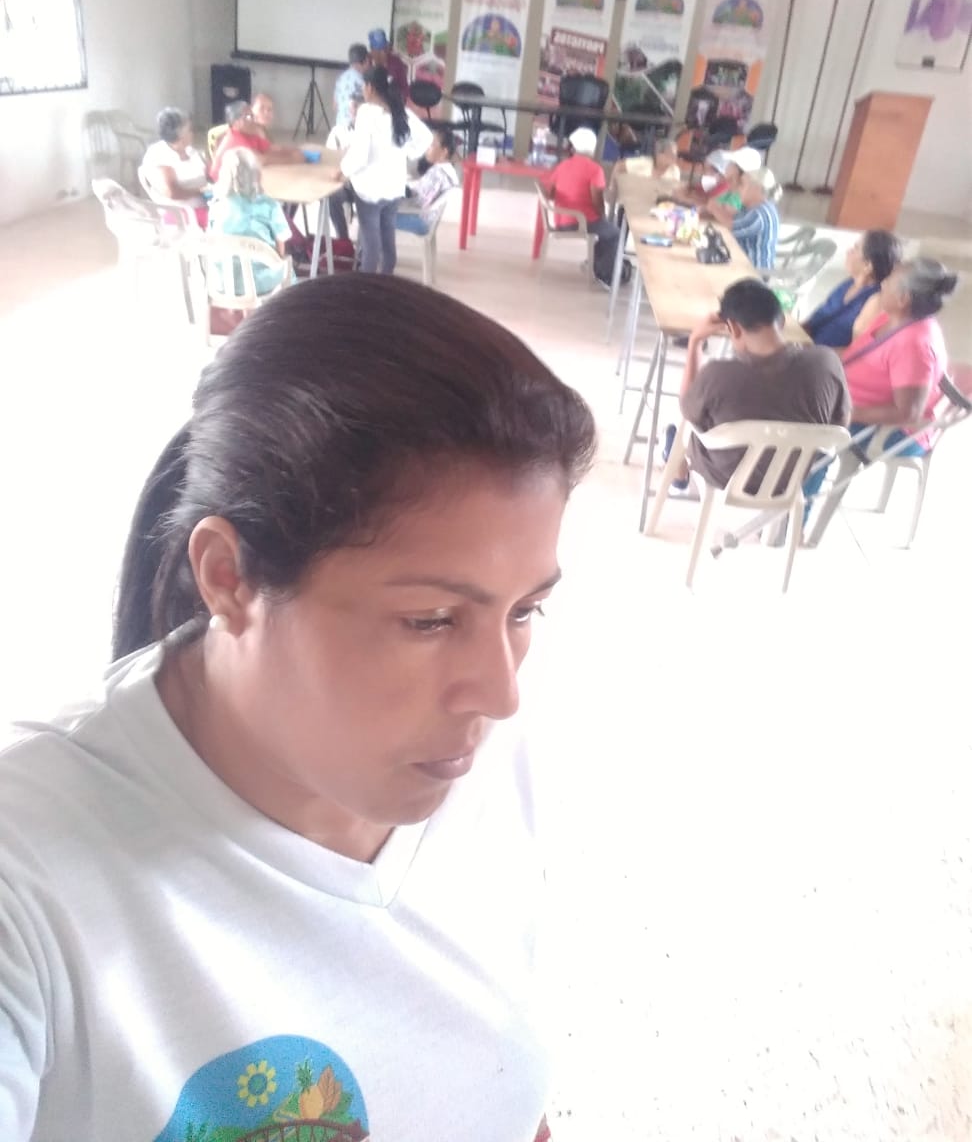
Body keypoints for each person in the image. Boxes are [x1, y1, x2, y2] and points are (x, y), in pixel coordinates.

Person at [0, 274, 596, 1140]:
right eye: (430, 620)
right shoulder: (29, 880)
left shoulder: (487, 760)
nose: (500, 692)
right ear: (228, 578)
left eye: (525, 611)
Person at [804, 258, 959, 536]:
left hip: (894, 432)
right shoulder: (891, 318)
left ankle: (790, 521)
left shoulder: (916, 344)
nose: (883, 283)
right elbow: (855, 355)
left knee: (815, 431)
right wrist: (812, 353)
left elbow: (908, 413)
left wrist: (846, 412)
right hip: (856, 402)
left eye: (890, 281)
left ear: (903, 298)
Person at [667, 278, 850, 492]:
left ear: (733, 328)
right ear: (782, 321)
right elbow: (840, 424)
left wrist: (695, 342)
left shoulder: (718, 375)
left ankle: (679, 474)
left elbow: (687, 411)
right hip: (790, 481)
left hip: (727, 477)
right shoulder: (826, 362)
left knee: (682, 430)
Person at [338, 66, 433, 273]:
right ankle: (386, 281)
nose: (363, 90)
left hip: (369, 190)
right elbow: (427, 137)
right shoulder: (400, 111)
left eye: (363, 86)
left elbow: (360, 155)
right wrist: (408, 151)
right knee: (387, 239)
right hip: (394, 188)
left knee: (371, 245)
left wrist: (342, 171)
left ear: (370, 87)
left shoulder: (366, 112)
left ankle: (366, 288)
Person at [544, 126, 620, 291]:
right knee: (614, 233)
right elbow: (597, 201)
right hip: (582, 222)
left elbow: (549, 194)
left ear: (574, 147)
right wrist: (603, 216)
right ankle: (604, 274)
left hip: (561, 221)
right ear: (592, 148)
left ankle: (594, 264)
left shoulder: (562, 165)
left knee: (606, 229)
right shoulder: (595, 170)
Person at [207, 147, 291, 296]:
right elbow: (281, 246)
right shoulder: (269, 205)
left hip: (223, 281)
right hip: (261, 283)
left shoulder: (216, 206)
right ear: (257, 174)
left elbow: (212, 240)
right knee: (286, 265)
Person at [802, 230, 902, 349]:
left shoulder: (876, 300)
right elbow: (814, 322)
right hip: (807, 346)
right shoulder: (849, 283)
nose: (848, 251)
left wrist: (809, 351)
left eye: (855, 248)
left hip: (824, 357)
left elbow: (856, 351)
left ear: (868, 266)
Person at [140, 106, 210, 227]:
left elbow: (209, 173)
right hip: (179, 213)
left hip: (204, 204)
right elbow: (172, 193)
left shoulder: (190, 150)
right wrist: (201, 191)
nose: (193, 133)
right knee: (231, 222)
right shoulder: (158, 155)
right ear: (180, 135)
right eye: (190, 130)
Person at [210, 100, 305, 179]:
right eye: (248, 117)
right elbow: (261, 161)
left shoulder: (249, 134)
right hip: (222, 186)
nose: (253, 120)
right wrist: (293, 159)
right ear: (236, 123)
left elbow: (272, 149)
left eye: (252, 116)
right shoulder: (235, 139)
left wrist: (297, 151)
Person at [396, 128, 461, 236]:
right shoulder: (448, 170)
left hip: (420, 219)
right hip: (428, 218)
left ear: (444, 152)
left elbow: (417, 199)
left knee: (377, 216)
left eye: (431, 146)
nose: (427, 150)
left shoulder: (437, 172)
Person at [731, 164, 782, 271]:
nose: (737, 189)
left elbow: (730, 229)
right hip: (743, 266)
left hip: (754, 273)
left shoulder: (759, 214)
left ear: (756, 188)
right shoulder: (750, 207)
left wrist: (713, 208)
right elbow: (731, 217)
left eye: (741, 184)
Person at [699, 146, 762, 224]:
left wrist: (714, 209)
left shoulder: (744, 199)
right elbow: (711, 206)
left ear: (740, 174)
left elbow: (731, 221)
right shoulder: (732, 190)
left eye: (731, 164)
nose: (727, 168)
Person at [325, 98, 358, 242]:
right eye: (352, 110)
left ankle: (364, 245)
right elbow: (328, 157)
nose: (354, 114)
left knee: (368, 205)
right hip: (343, 183)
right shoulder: (339, 131)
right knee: (331, 197)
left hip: (365, 186)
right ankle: (343, 240)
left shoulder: (374, 133)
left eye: (358, 110)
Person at [333, 43, 368, 127]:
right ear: (366, 60)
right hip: (355, 127)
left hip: (340, 126)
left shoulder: (341, 78)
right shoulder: (363, 82)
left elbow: (335, 106)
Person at [368, 27, 409, 98]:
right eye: (379, 50)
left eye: (384, 48)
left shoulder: (396, 62)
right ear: (372, 50)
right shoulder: (366, 62)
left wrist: (397, 98)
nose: (383, 52)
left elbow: (404, 88)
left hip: (394, 100)